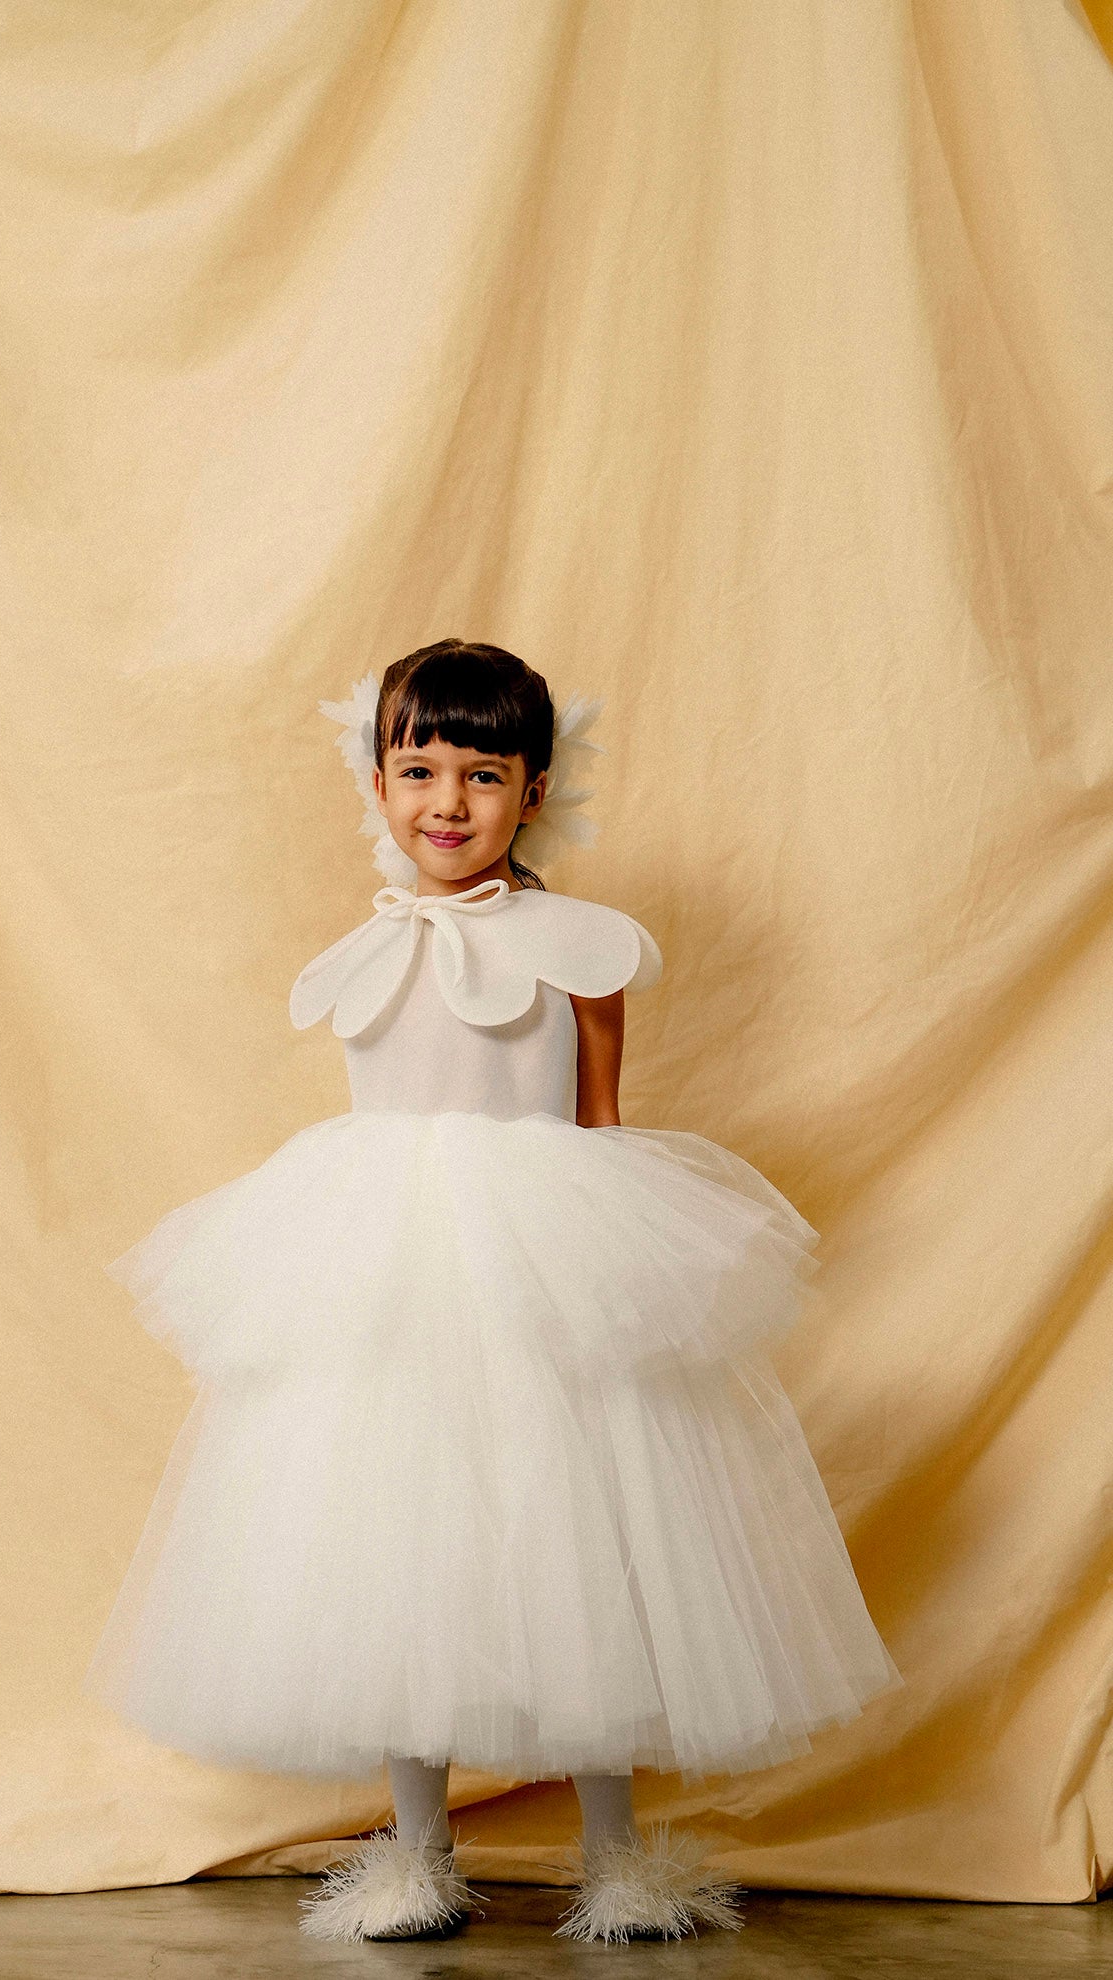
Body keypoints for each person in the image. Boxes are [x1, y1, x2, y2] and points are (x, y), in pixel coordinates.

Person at [85, 638, 899, 1945]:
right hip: (389, 1269)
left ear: (534, 789)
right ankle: (415, 1852)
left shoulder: (581, 946)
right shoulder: (366, 950)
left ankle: (617, 1855)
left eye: (482, 773)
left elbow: (600, 1119)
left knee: (587, 1536)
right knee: (398, 1542)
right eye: (418, 770)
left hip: (545, 1255)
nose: (446, 802)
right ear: (376, 778)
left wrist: (611, 1276)